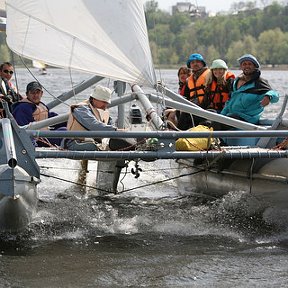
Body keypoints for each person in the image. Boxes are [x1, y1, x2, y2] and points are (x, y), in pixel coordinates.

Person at [64, 85, 133, 151]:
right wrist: (116, 131)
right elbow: (93, 125)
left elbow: (110, 126)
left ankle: (137, 149)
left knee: (118, 142)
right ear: (94, 99)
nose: (105, 105)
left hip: (95, 142)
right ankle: (136, 150)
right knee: (108, 146)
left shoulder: (103, 112)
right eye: (103, 102)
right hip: (75, 143)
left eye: (107, 102)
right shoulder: (80, 108)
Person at [221, 54, 279, 124]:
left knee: (231, 118)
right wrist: (221, 116)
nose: (247, 66)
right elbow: (229, 102)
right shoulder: (236, 82)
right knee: (212, 115)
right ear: (241, 67)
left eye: (250, 64)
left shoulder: (259, 83)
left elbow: (275, 95)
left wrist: (269, 96)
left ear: (255, 66)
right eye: (244, 64)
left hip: (248, 120)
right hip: (232, 117)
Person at [12, 81, 65, 147]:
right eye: (32, 93)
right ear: (27, 94)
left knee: (65, 129)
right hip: (37, 139)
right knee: (64, 132)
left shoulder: (41, 105)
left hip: (45, 135)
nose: (36, 95)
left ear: (42, 93)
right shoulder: (22, 108)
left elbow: (50, 117)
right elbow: (21, 130)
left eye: (38, 92)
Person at [177, 53, 210, 130]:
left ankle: (179, 136)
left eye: (198, 62)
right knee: (183, 113)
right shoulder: (189, 80)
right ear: (190, 65)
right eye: (192, 62)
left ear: (202, 63)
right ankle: (178, 137)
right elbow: (185, 98)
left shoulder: (210, 75)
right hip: (194, 107)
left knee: (186, 114)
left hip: (206, 107)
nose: (195, 64)